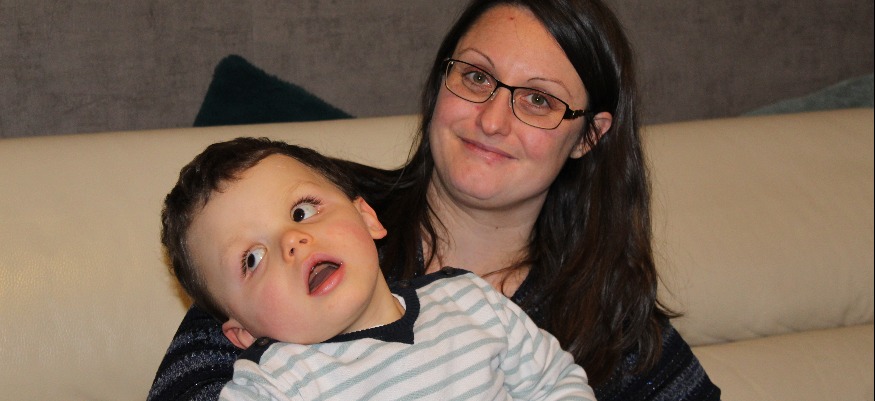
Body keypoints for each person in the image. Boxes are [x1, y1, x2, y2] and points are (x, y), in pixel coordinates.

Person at [149, 0, 721, 400]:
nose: (492, 120)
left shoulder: (613, 320)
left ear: (588, 137)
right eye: (476, 78)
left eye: (539, 101)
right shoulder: (308, 221)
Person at [160, 137, 596, 400]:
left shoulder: (470, 301)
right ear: (242, 334)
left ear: (367, 216)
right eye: (251, 259)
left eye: (301, 212)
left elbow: (555, 383)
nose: (291, 241)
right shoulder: (275, 384)